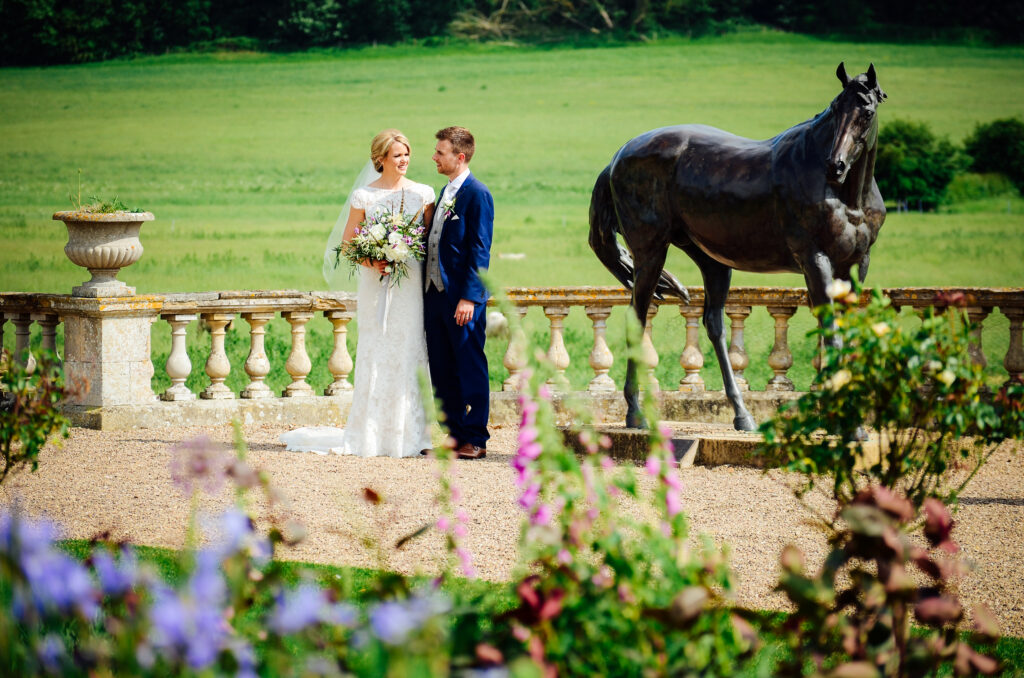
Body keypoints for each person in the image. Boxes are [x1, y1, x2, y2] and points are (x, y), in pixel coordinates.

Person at [280, 129, 434, 457]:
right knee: (377, 347)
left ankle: (413, 432)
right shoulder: (364, 196)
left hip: (410, 285)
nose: (404, 160)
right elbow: (349, 245)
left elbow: (429, 242)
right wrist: (375, 259)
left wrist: (404, 252)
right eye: (397, 155)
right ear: (380, 159)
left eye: (407, 153)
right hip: (375, 285)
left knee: (409, 348)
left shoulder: (424, 193)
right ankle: (373, 432)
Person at [424, 126, 494, 460]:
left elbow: (480, 250)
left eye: (440, 152)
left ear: (459, 157)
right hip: (435, 295)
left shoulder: (477, 194)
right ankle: (452, 434)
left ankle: (476, 439)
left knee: (470, 366)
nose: (434, 157)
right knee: (441, 368)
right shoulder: (445, 190)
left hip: (462, 300)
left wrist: (469, 297)